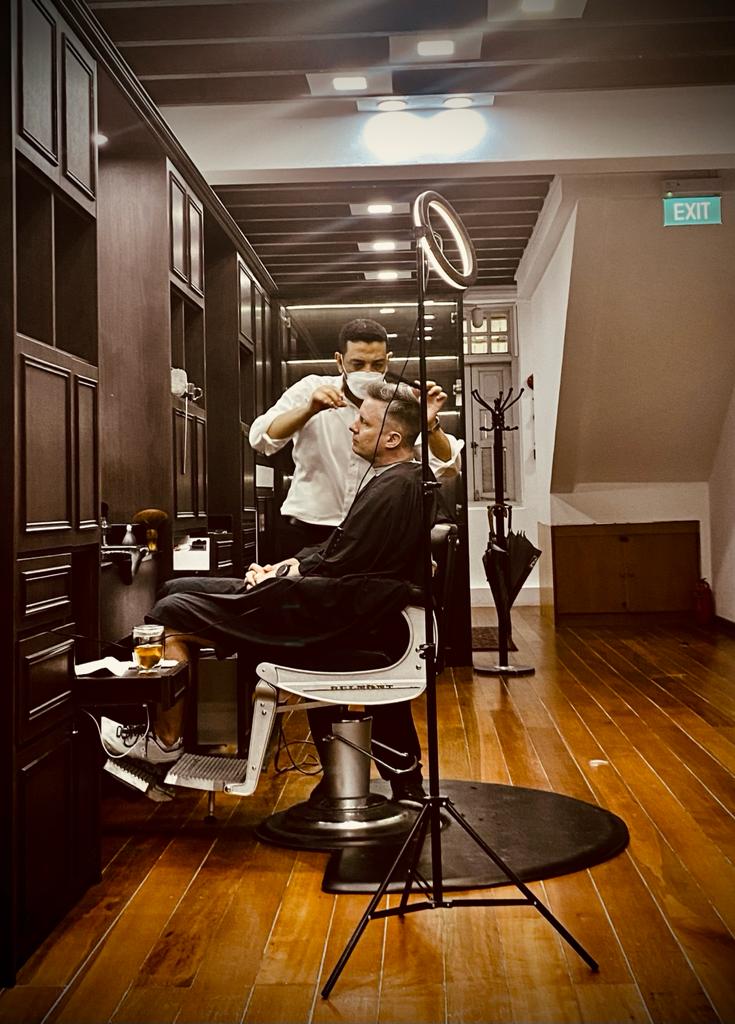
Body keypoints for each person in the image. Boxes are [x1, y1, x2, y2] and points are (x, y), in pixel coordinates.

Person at [102, 381, 433, 802]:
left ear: (391, 437)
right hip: (338, 603)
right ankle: (169, 740)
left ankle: (164, 745)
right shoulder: (395, 479)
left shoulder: (395, 487)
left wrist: (281, 581)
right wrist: (286, 566)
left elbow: (342, 566)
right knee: (175, 586)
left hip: (334, 615)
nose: (352, 427)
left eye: (363, 422)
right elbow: (337, 552)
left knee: (172, 610)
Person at [249, 317, 461, 556]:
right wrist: (309, 410)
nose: (368, 372)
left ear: (388, 361)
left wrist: (430, 423)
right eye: (358, 364)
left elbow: (447, 464)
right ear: (340, 361)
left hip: (373, 533)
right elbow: (260, 438)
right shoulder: (311, 388)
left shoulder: (398, 399)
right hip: (308, 528)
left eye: (377, 364)